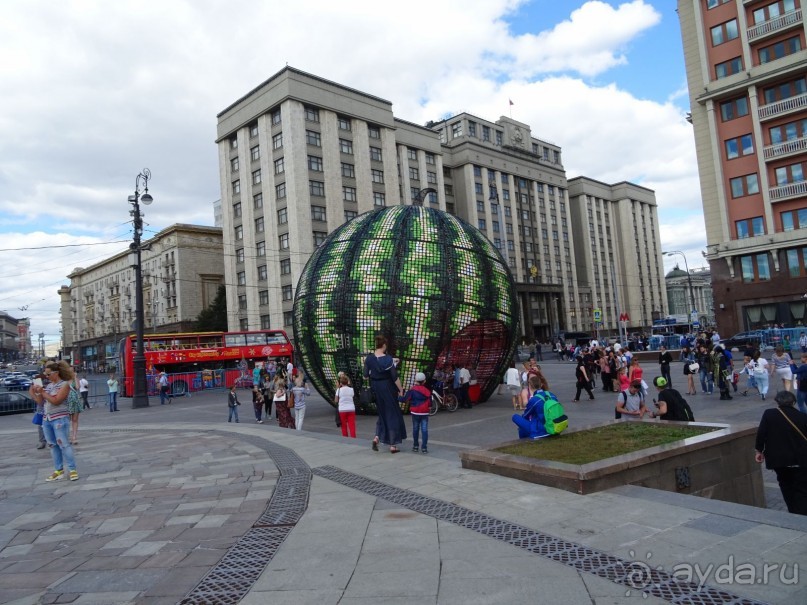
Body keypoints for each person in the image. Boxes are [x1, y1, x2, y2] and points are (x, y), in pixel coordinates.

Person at [755, 391, 807, 515]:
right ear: (793, 402)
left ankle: (793, 510)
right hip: (800, 460)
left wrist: (759, 450)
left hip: (779, 461)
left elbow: (761, 434)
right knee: (802, 488)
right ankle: (801, 513)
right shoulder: (803, 417)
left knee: (785, 485)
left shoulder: (769, 414)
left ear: (777, 401)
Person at [29, 360, 79, 481]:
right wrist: (33, 392)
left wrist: (43, 392)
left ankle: (72, 469)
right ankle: (59, 470)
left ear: (56, 373)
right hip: (47, 419)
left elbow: (56, 400)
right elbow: (41, 402)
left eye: (48, 374)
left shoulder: (64, 384)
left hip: (59, 419)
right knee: (52, 445)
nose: (46, 376)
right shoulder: (49, 386)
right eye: (45, 375)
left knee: (64, 444)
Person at [364, 334, 406, 453]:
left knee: (382, 413)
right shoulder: (388, 359)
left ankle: (377, 437)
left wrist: (376, 371)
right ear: (384, 345)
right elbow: (394, 377)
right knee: (392, 413)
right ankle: (393, 444)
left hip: (376, 388)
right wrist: (401, 389)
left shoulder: (369, 358)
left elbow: (366, 376)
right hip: (388, 388)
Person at [512, 373, 552, 439]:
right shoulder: (550, 394)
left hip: (540, 429)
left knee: (515, 417)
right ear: (541, 384)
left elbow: (526, 414)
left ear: (530, 385)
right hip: (553, 423)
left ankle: (523, 440)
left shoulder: (534, 400)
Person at [402, 372, 431, 453]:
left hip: (415, 412)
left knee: (415, 429)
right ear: (424, 381)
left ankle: (415, 446)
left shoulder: (412, 390)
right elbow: (430, 404)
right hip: (424, 413)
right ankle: (424, 448)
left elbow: (405, 399)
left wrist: (398, 396)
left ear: (415, 380)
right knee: (424, 430)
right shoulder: (427, 391)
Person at [335, 373, 356, 438]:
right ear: (347, 382)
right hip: (351, 409)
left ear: (340, 383)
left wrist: (337, 387)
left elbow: (336, 400)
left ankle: (345, 439)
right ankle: (353, 438)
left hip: (342, 410)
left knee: (343, 426)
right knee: (352, 425)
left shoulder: (339, 390)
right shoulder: (351, 389)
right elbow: (352, 396)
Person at [67, 373, 83, 445]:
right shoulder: (64, 380)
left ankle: (74, 437)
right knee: (67, 420)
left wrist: (75, 377)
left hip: (75, 401)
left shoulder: (76, 379)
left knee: (75, 420)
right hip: (67, 402)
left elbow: (77, 387)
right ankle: (67, 437)